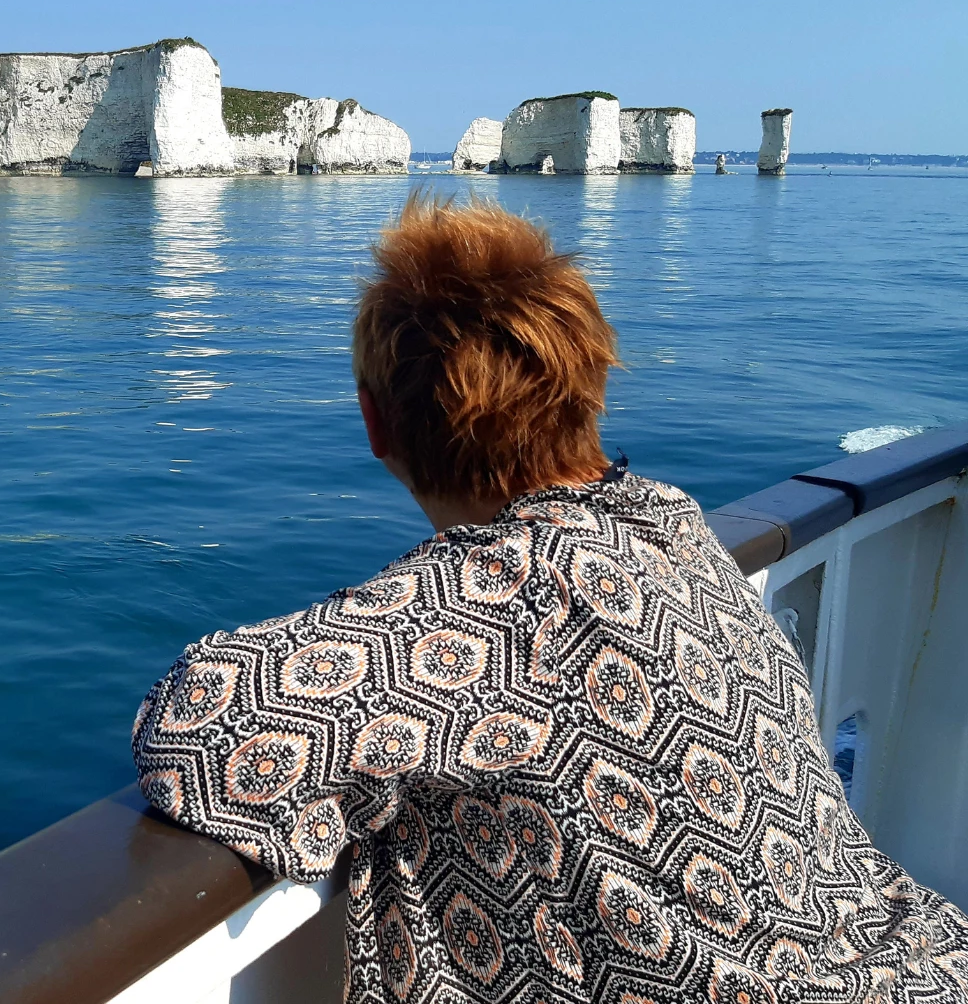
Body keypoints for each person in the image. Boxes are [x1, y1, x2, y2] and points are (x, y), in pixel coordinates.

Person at [131, 194, 968, 1004]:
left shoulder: (497, 605)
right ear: (589, 390)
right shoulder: (670, 525)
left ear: (374, 421)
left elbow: (200, 734)